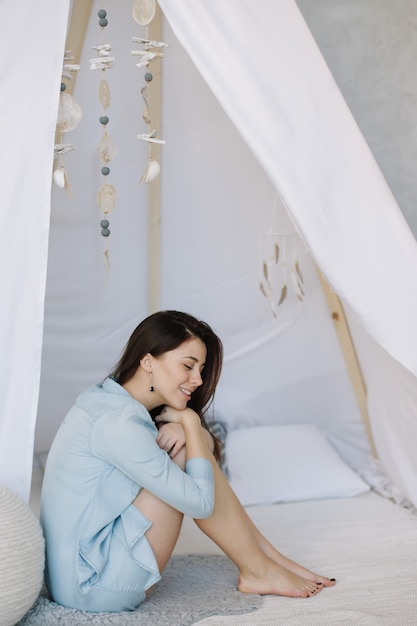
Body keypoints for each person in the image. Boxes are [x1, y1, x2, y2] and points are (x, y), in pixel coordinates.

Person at [40, 310, 336, 613]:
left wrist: (183, 428)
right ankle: (259, 567)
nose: (197, 380)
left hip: (75, 574)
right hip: (94, 587)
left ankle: (265, 560)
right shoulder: (118, 423)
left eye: (201, 369)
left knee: (186, 449)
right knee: (184, 453)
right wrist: (190, 423)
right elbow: (201, 502)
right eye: (187, 366)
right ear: (147, 362)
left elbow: (204, 450)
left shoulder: (110, 400)